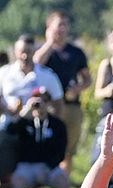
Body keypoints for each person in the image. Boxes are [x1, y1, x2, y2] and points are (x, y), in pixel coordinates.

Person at [34, 10, 91, 175]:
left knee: (69, 149)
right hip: (50, 106)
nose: (63, 28)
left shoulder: (76, 52)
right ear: (49, 27)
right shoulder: (44, 50)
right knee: (46, 144)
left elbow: (87, 79)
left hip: (72, 106)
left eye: (65, 24)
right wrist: (50, 43)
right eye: (59, 24)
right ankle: (40, 182)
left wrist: (77, 89)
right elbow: (36, 64)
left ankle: (64, 180)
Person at [8, 88, 69, 188]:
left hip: (49, 167)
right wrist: (25, 112)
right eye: (36, 101)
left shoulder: (57, 125)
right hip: (27, 166)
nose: (40, 104)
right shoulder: (23, 123)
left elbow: (61, 152)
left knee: (64, 182)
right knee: (15, 182)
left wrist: (48, 167)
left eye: (44, 101)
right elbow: (9, 131)